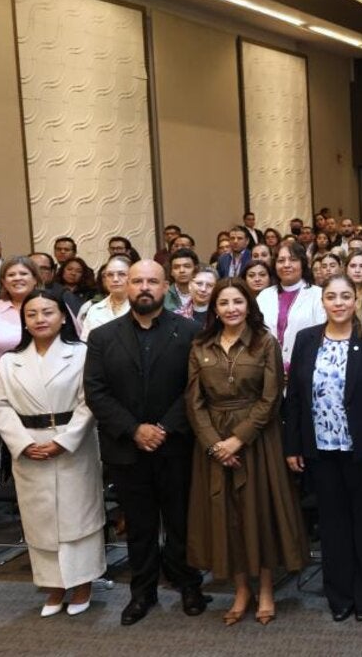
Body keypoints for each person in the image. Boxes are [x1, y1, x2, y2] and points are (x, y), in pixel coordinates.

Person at [83, 260, 209, 625]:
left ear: (165, 286)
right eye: (137, 281)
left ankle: (189, 584)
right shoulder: (102, 336)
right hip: (127, 448)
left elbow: (196, 387)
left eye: (152, 281)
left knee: (181, 522)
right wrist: (135, 429)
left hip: (176, 445)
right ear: (126, 286)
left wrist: (164, 427)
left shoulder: (190, 331)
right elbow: (96, 391)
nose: (144, 287)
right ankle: (142, 593)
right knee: (139, 527)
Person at [186, 279, 307, 625]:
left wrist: (237, 440)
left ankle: (266, 589)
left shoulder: (265, 342)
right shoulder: (200, 345)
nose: (231, 309)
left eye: (237, 302)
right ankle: (241, 590)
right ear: (214, 309)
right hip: (213, 443)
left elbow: (272, 397)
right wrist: (215, 444)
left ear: (248, 306)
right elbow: (194, 402)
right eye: (223, 303)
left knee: (259, 514)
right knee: (227, 517)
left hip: (258, 441)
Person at [283, 275, 362, 623]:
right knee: (331, 526)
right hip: (320, 449)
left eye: (346, 296)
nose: (339, 303)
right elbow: (295, 397)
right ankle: (340, 596)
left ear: (356, 299)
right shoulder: (306, 339)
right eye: (331, 296)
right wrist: (293, 445)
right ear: (323, 302)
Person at [0, 289, 105, 616]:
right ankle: (53, 586)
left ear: (63, 316)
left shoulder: (81, 354)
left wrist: (64, 441)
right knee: (41, 520)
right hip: (30, 446)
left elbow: (90, 401)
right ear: (24, 321)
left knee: (77, 517)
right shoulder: (10, 361)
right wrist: (23, 443)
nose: (40, 319)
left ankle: (83, 583)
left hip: (72, 444)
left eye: (48, 312)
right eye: (32, 314)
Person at [0, 257, 42, 420]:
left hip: (49, 388)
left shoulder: (53, 306)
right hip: (4, 392)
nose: (17, 278)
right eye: (11, 275)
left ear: (35, 279)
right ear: (3, 282)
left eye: (23, 273)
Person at [257, 242, 326, 371]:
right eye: (281, 261)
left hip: (305, 367)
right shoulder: (264, 296)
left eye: (293, 260)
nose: (286, 265)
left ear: (303, 264)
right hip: (267, 368)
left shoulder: (318, 295)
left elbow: (322, 336)